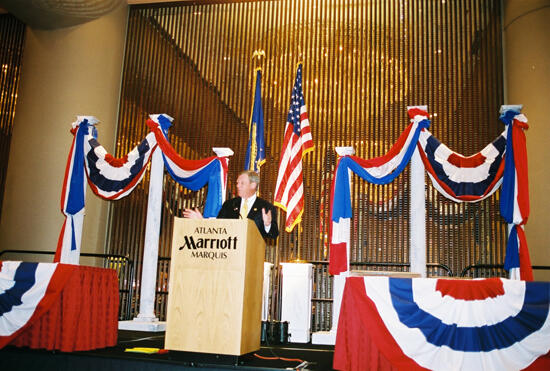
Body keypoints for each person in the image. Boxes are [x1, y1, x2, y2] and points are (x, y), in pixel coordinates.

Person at [183, 170, 279, 239]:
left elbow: (274, 234)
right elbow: (218, 229)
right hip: (228, 258)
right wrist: (202, 222)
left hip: (252, 258)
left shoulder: (266, 208)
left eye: (242, 183)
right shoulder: (229, 205)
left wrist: (267, 224)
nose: (237, 186)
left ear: (253, 185)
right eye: (237, 183)